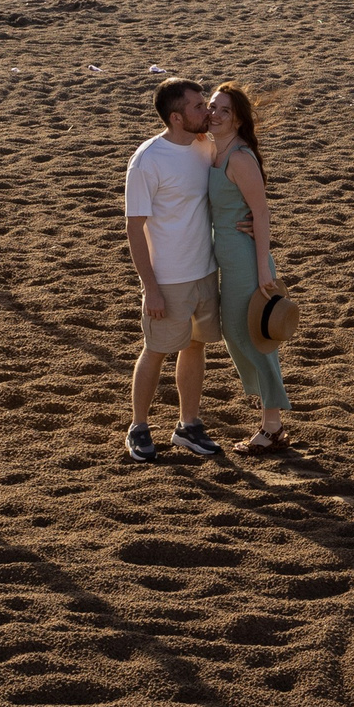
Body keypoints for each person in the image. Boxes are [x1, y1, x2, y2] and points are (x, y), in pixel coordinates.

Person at [123, 77, 222, 461]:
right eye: (199, 107)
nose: (207, 111)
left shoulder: (205, 146)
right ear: (177, 118)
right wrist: (151, 287)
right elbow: (134, 228)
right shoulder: (147, 160)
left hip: (204, 271)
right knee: (156, 350)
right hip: (168, 277)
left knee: (195, 346)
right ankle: (139, 426)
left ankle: (189, 424)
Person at [202, 83, 290, 453]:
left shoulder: (239, 157)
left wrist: (263, 270)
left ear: (238, 118)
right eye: (211, 107)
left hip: (245, 258)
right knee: (234, 332)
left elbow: (263, 212)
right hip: (223, 253)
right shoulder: (211, 151)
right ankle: (271, 418)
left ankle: (272, 426)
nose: (215, 114)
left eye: (224, 110)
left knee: (251, 336)